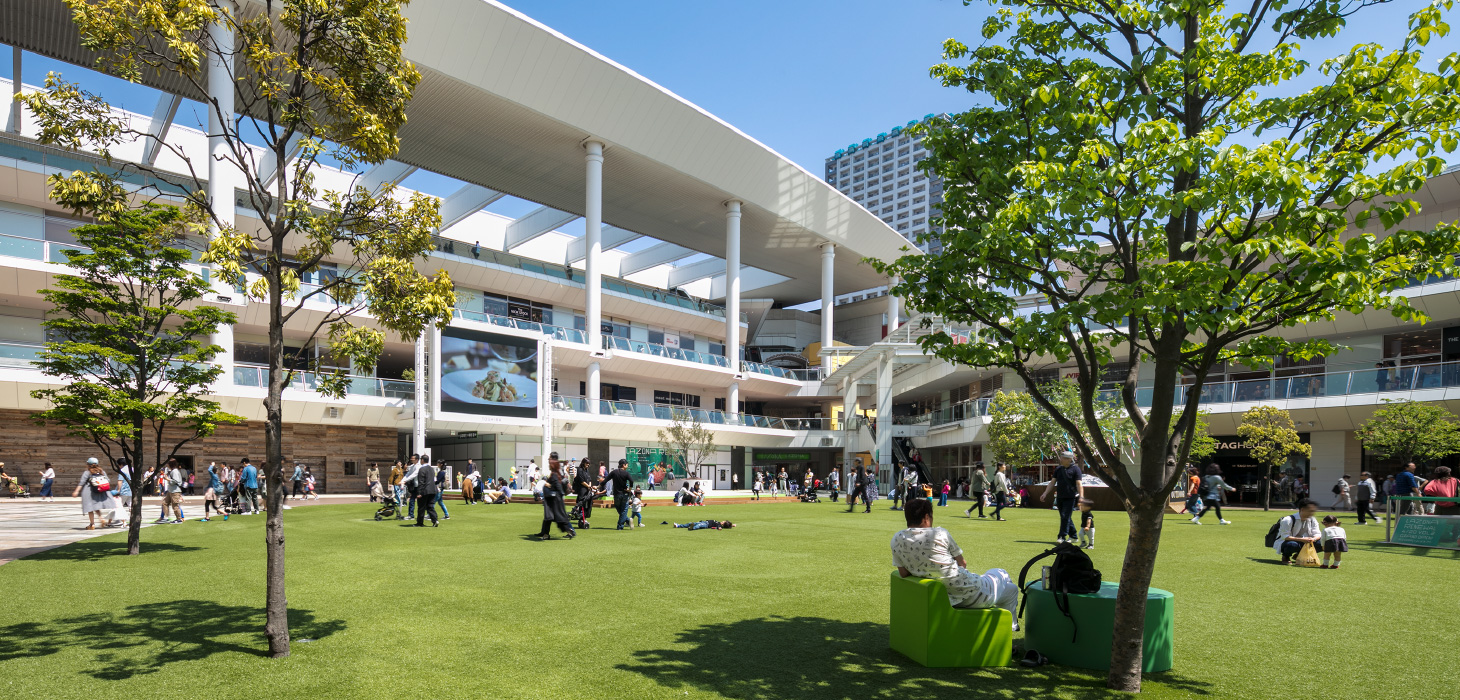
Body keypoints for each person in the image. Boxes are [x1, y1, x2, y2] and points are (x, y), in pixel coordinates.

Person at [890, 497, 1019, 628]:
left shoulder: (896, 539)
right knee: (1004, 577)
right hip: (972, 593)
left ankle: (1009, 629)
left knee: (1007, 586)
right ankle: (1010, 632)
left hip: (940, 598)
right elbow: (962, 563)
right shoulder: (940, 533)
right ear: (926, 517)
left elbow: (903, 573)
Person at [1040, 451, 1086, 543]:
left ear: (1069, 459)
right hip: (1060, 497)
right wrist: (1045, 493)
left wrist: (1081, 497)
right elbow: (1052, 482)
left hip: (1070, 497)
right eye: (1061, 457)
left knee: (1065, 516)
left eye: (1063, 458)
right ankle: (1073, 536)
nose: (1061, 459)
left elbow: (1079, 484)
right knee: (1065, 516)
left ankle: (1062, 537)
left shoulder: (1076, 469)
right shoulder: (1058, 469)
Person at [72, 458, 118, 530]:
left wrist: (76, 491)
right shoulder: (102, 471)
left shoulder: (87, 472)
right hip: (99, 490)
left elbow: (82, 482)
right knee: (96, 506)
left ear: (88, 464)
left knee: (90, 508)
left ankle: (92, 524)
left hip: (89, 492)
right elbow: (108, 480)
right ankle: (101, 518)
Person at [536, 452, 574, 540]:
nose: (549, 464)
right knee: (551, 517)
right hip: (553, 500)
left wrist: (548, 485)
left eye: (550, 462)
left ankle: (569, 530)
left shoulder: (554, 474)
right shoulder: (555, 473)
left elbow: (557, 486)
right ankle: (545, 534)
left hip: (554, 500)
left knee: (556, 518)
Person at [1273, 498, 1322, 565]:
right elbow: (1285, 536)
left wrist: (1313, 539)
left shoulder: (1312, 519)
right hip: (1287, 541)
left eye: (1313, 511)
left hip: (1305, 541)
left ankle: (1299, 555)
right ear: (1302, 509)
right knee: (1292, 544)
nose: (1312, 513)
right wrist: (1302, 539)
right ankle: (1286, 556)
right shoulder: (1288, 520)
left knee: (1323, 543)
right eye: (1310, 511)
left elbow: (1318, 534)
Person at [604, 459, 635, 529]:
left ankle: (627, 521)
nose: (627, 465)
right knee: (623, 510)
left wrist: (598, 486)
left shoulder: (614, 472)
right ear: (624, 465)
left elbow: (605, 480)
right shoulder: (626, 473)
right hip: (624, 494)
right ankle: (622, 525)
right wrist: (629, 490)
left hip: (616, 494)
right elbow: (631, 481)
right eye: (627, 464)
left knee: (620, 510)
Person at [156, 459, 186, 523]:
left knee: (175, 505)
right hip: (171, 490)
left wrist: (167, 479)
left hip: (175, 491)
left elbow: (176, 481)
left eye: (168, 463)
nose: (167, 465)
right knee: (164, 503)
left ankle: (179, 519)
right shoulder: (172, 471)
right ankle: (165, 517)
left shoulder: (175, 471)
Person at [414, 460, 440, 527]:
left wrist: (419, 492)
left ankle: (420, 523)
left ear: (422, 460)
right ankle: (435, 520)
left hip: (425, 490)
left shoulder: (422, 469)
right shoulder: (431, 469)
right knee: (430, 506)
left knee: (421, 507)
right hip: (433, 489)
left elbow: (421, 481)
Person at [668, 519, 735, 530]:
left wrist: (719, 528)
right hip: (704, 522)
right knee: (690, 523)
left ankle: (692, 528)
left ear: (723, 524)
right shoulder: (718, 522)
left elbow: (718, 527)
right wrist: (732, 525)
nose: (722, 521)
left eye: (724, 522)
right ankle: (678, 525)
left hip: (706, 525)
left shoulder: (719, 525)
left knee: (698, 526)